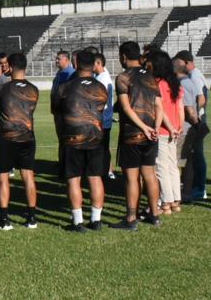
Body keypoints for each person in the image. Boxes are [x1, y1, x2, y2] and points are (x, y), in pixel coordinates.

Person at [51, 49, 108, 232]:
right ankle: (96, 220)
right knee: (95, 177)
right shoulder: (100, 88)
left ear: (76, 64)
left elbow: (57, 110)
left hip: (72, 136)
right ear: (93, 65)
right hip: (95, 136)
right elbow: (101, 107)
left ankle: (77, 221)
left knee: (74, 179)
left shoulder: (65, 87)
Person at [113, 41, 163, 230]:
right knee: (149, 174)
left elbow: (126, 108)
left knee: (131, 177)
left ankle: (131, 218)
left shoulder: (123, 77)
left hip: (133, 134)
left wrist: (142, 127)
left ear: (124, 56)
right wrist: (155, 127)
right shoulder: (150, 76)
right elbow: (159, 104)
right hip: (152, 133)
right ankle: (155, 215)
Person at [0, 53, 39, 230]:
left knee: (2, 177)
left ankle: (4, 219)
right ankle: (32, 218)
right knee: (28, 176)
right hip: (27, 137)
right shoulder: (34, 89)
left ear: (10, 66)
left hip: (7, 138)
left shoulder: (2, 88)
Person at [150, 51, 184, 215]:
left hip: (165, 129)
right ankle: (176, 200)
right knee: (172, 166)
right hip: (175, 130)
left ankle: (167, 202)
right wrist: (179, 126)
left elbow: (160, 109)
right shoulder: (174, 83)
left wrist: (170, 127)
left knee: (161, 167)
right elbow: (180, 106)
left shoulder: (159, 83)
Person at [174, 50, 208, 200]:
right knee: (192, 159)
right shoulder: (191, 76)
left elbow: (200, 99)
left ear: (185, 62)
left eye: (177, 62)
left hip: (191, 123)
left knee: (192, 158)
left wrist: (197, 115)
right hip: (194, 122)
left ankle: (198, 189)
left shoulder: (192, 77)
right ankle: (191, 190)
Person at [91, 49, 116, 180]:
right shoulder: (100, 76)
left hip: (103, 117)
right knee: (103, 146)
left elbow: (104, 102)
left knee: (103, 147)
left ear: (99, 63)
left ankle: (106, 171)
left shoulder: (103, 79)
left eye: (93, 63)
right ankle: (107, 170)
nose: (91, 66)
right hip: (103, 117)